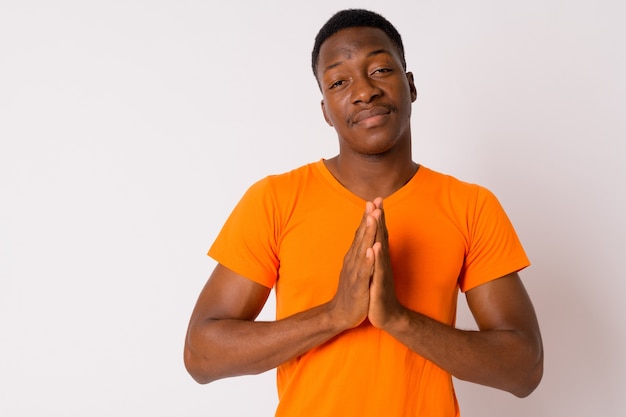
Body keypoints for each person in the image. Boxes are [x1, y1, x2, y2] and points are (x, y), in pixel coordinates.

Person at [184, 8, 543, 417]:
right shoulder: (275, 200)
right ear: (325, 110)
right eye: (339, 81)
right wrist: (334, 315)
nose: (363, 91)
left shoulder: (470, 206)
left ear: (410, 86)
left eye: (379, 70)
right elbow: (201, 354)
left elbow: (524, 368)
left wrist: (397, 318)